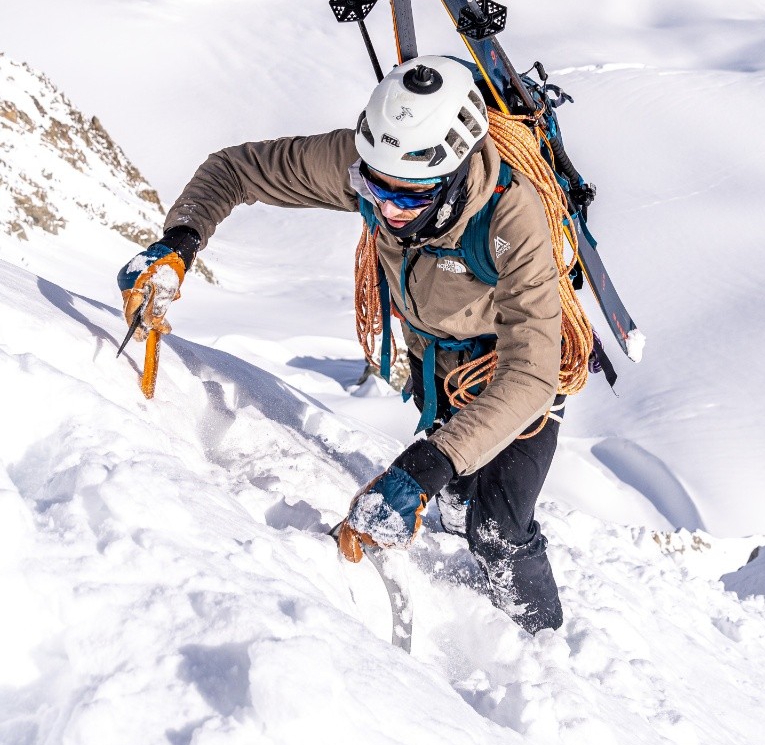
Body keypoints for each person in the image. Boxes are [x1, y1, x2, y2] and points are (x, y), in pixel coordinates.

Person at [117, 55, 566, 633]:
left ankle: (540, 643)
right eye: (374, 190)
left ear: (454, 179)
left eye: (409, 198)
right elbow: (234, 169)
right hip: (440, 367)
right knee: (456, 500)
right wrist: (180, 242)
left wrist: (426, 464)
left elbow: (532, 373)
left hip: (517, 374)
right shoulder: (369, 167)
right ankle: (467, 578)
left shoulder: (513, 219)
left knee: (498, 527)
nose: (387, 210)